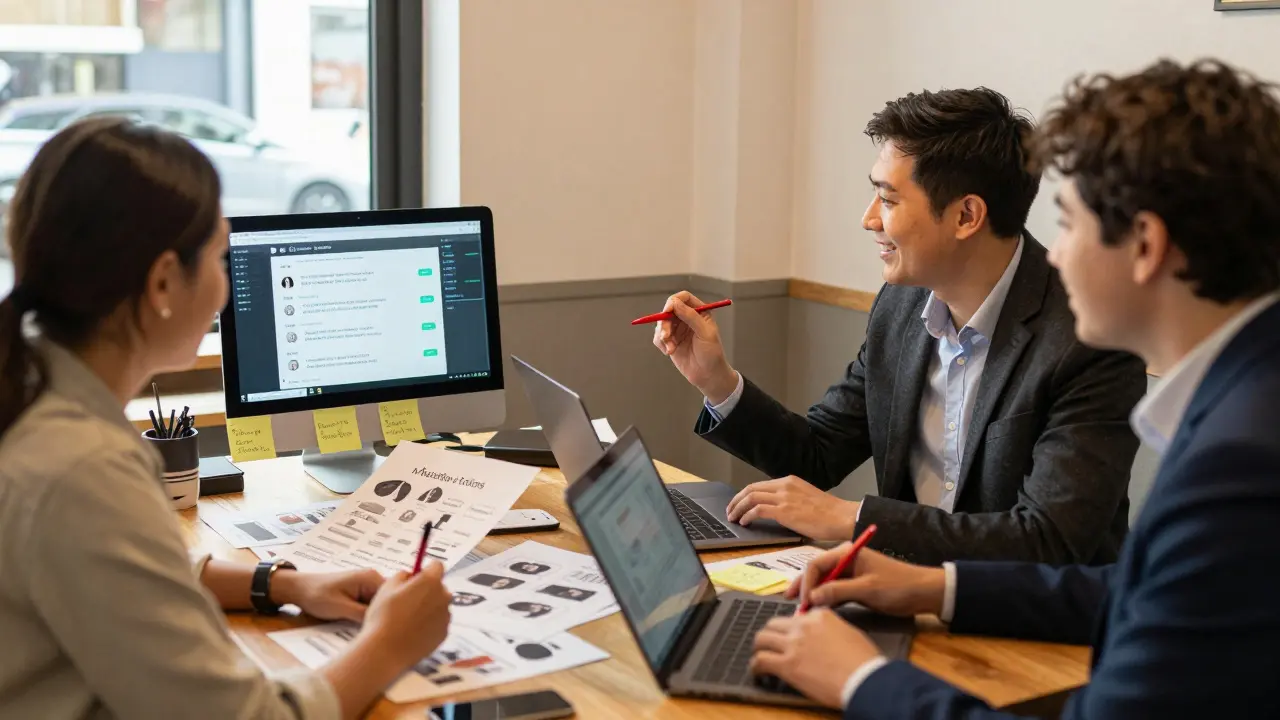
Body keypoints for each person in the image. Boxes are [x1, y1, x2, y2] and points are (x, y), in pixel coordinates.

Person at [749, 58, 1280, 718]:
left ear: (1145, 245)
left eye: (1069, 221)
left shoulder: (1243, 459)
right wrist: (929, 588)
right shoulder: (1246, 397)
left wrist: (862, 681)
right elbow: (1139, 592)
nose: (1053, 255)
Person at [0, 117, 453, 720]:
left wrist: (278, 583)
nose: (226, 286)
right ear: (163, 281)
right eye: (219, 255)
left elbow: (113, 574)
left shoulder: (32, 391)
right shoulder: (82, 470)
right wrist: (389, 644)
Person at [655, 86, 1148, 565]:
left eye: (888, 200)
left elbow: (1050, 541)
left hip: (1032, 630)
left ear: (966, 215)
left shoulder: (1091, 337)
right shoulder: (901, 305)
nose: (869, 219)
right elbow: (820, 454)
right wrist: (716, 381)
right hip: (899, 592)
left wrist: (855, 519)